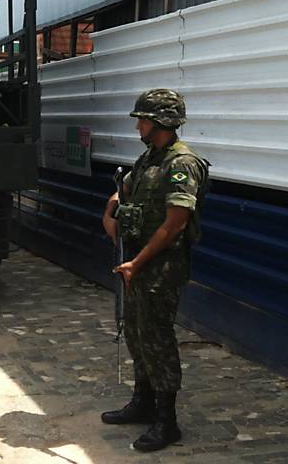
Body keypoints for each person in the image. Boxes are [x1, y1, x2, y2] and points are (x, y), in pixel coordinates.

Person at [99, 88, 210, 453]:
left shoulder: (182, 164)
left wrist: (138, 262)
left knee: (158, 340)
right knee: (135, 332)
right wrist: (112, 207)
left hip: (159, 266)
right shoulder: (150, 158)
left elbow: (175, 223)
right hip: (137, 262)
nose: (139, 127)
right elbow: (125, 189)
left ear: (161, 121)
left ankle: (167, 420)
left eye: (143, 120)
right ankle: (142, 402)